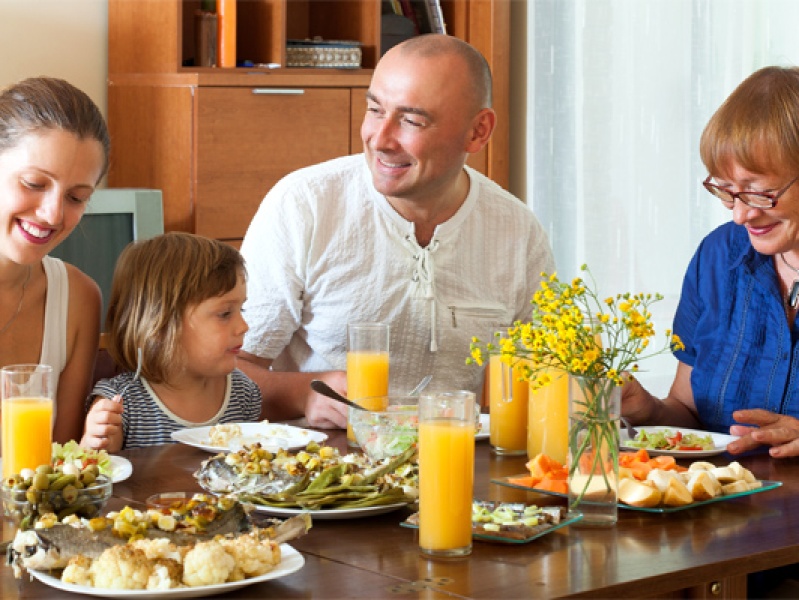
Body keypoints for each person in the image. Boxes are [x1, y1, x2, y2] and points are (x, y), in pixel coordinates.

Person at [238, 34, 555, 429]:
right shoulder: (305, 205)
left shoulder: (517, 231)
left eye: (411, 121)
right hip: (320, 475)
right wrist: (300, 393)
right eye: (374, 110)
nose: (380, 139)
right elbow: (225, 370)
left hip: (455, 466)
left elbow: (546, 377)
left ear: (478, 131)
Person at [621, 66, 799, 460]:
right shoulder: (718, 257)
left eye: (759, 192)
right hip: (721, 516)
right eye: (726, 191)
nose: (740, 215)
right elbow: (689, 414)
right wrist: (647, 410)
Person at [0, 77, 109, 443]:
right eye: (34, 183)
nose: (52, 215)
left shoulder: (77, 298)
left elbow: (60, 462)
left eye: (76, 198)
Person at [80, 232, 261, 451]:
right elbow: (95, 475)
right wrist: (93, 441)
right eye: (224, 313)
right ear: (162, 325)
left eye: (240, 309)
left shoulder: (243, 394)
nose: (244, 326)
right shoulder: (121, 403)